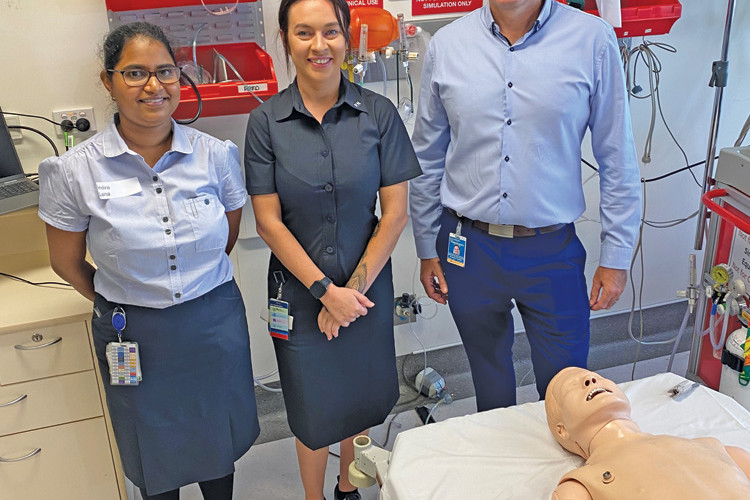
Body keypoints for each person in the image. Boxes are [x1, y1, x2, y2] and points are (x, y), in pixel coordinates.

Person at [37, 22, 259, 500]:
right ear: (108, 81)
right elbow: (67, 263)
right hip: (134, 333)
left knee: (216, 435)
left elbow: (229, 233)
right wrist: (129, 293)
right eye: (135, 73)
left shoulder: (216, 156)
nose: (153, 85)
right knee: (153, 446)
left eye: (165, 72)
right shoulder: (75, 170)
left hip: (211, 324)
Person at [409, 0, 642, 411]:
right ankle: (502, 469)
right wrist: (427, 247)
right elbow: (427, 157)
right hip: (468, 248)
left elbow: (617, 158)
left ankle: (560, 474)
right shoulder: (448, 46)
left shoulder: (592, 40)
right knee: (489, 378)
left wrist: (617, 255)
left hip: (550, 252)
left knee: (567, 390)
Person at [243, 0, 422, 498]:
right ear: (284, 39)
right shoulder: (265, 123)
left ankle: (348, 488)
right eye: (304, 33)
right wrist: (326, 293)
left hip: (365, 286)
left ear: (347, 38)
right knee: (310, 400)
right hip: (300, 294)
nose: (318, 46)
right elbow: (268, 222)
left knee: (359, 394)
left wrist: (351, 293)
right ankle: (313, 495)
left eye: (330, 32)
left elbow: (395, 214)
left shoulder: (379, 114)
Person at [545, 367, 750, 499]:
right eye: (570, 387)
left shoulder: (716, 448)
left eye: (599, 377)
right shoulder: (580, 487)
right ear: (562, 431)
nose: (591, 379)